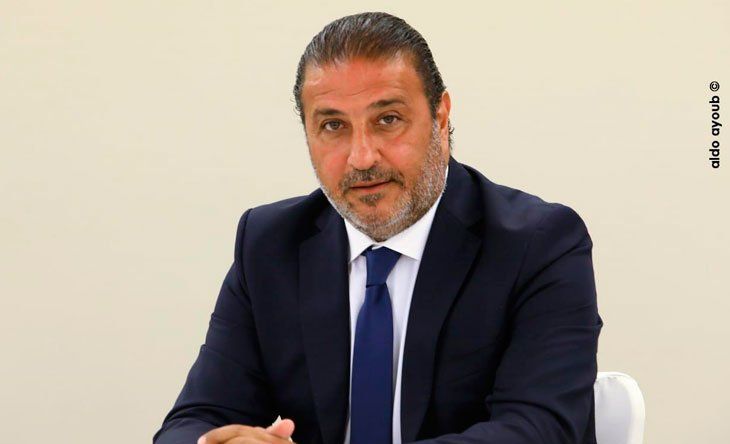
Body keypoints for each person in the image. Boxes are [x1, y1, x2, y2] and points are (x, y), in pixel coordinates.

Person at [153, 11, 603, 444]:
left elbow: (540, 430)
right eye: (333, 125)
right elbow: (193, 420)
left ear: (441, 116)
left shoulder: (539, 244)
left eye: (388, 120)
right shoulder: (269, 245)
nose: (362, 157)